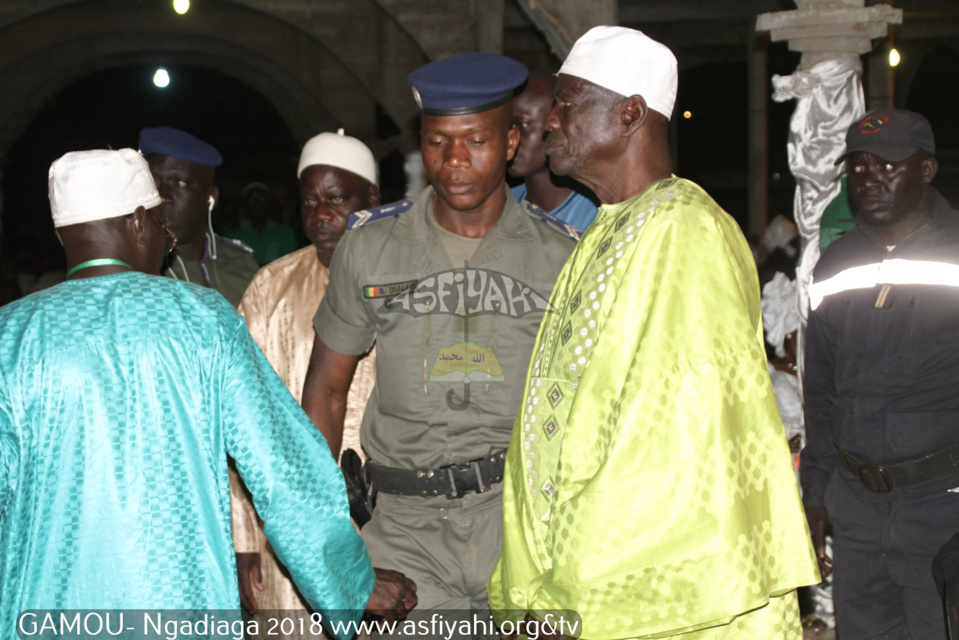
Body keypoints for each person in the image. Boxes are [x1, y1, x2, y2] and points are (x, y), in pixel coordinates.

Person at [0, 149, 415, 638]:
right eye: (162, 228)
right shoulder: (202, 319)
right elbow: (284, 470)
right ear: (139, 223)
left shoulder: (11, 336)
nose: (165, 242)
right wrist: (351, 581)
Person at [487, 26, 819, 639]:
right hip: (569, 578)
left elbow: (669, 446)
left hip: (645, 592)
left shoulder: (684, 230)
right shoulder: (609, 229)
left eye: (568, 102)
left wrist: (570, 588)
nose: (550, 122)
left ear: (629, 114)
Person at [302, 52, 576, 631]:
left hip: (522, 519)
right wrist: (333, 546)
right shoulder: (371, 248)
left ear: (510, 142)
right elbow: (326, 392)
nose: (453, 162)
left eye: (475, 140)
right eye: (436, 143)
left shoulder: (561, 256)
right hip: (404, 531)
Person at [802, 107, 959, 639]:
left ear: (927, 170)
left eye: (887, 165)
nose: (869, 178)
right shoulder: (834, 266)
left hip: (943, 509)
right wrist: (816, 494)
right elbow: (820, 391)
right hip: (859, 508)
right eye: (859, 167)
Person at [232, 129, 380, 624]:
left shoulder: (406, 282)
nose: (320, 215)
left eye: (337, 199)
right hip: (291, 529)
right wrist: (243, 537)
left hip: (393, 520)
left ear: (371, 199)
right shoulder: (269, 288)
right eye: (310, 200)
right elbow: (238, 420)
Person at [139, 126, 259, 307]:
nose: (162, 194)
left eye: (178, 183)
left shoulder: (242, 265)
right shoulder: (140, 268)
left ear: (210, 197)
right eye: (154, 181)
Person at [509, 69, 598, 233]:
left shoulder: (596, 212)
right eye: (506, 126)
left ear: (555, 124)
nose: (510, 138)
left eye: (522, 125)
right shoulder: (501, 206)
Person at [227, 182, 298, 266]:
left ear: (269, 203)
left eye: (262, 199)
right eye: (251, 200)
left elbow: (289, 265)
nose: (257, 204)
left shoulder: (285, 233)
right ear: (245, 205)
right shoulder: (233, 237)